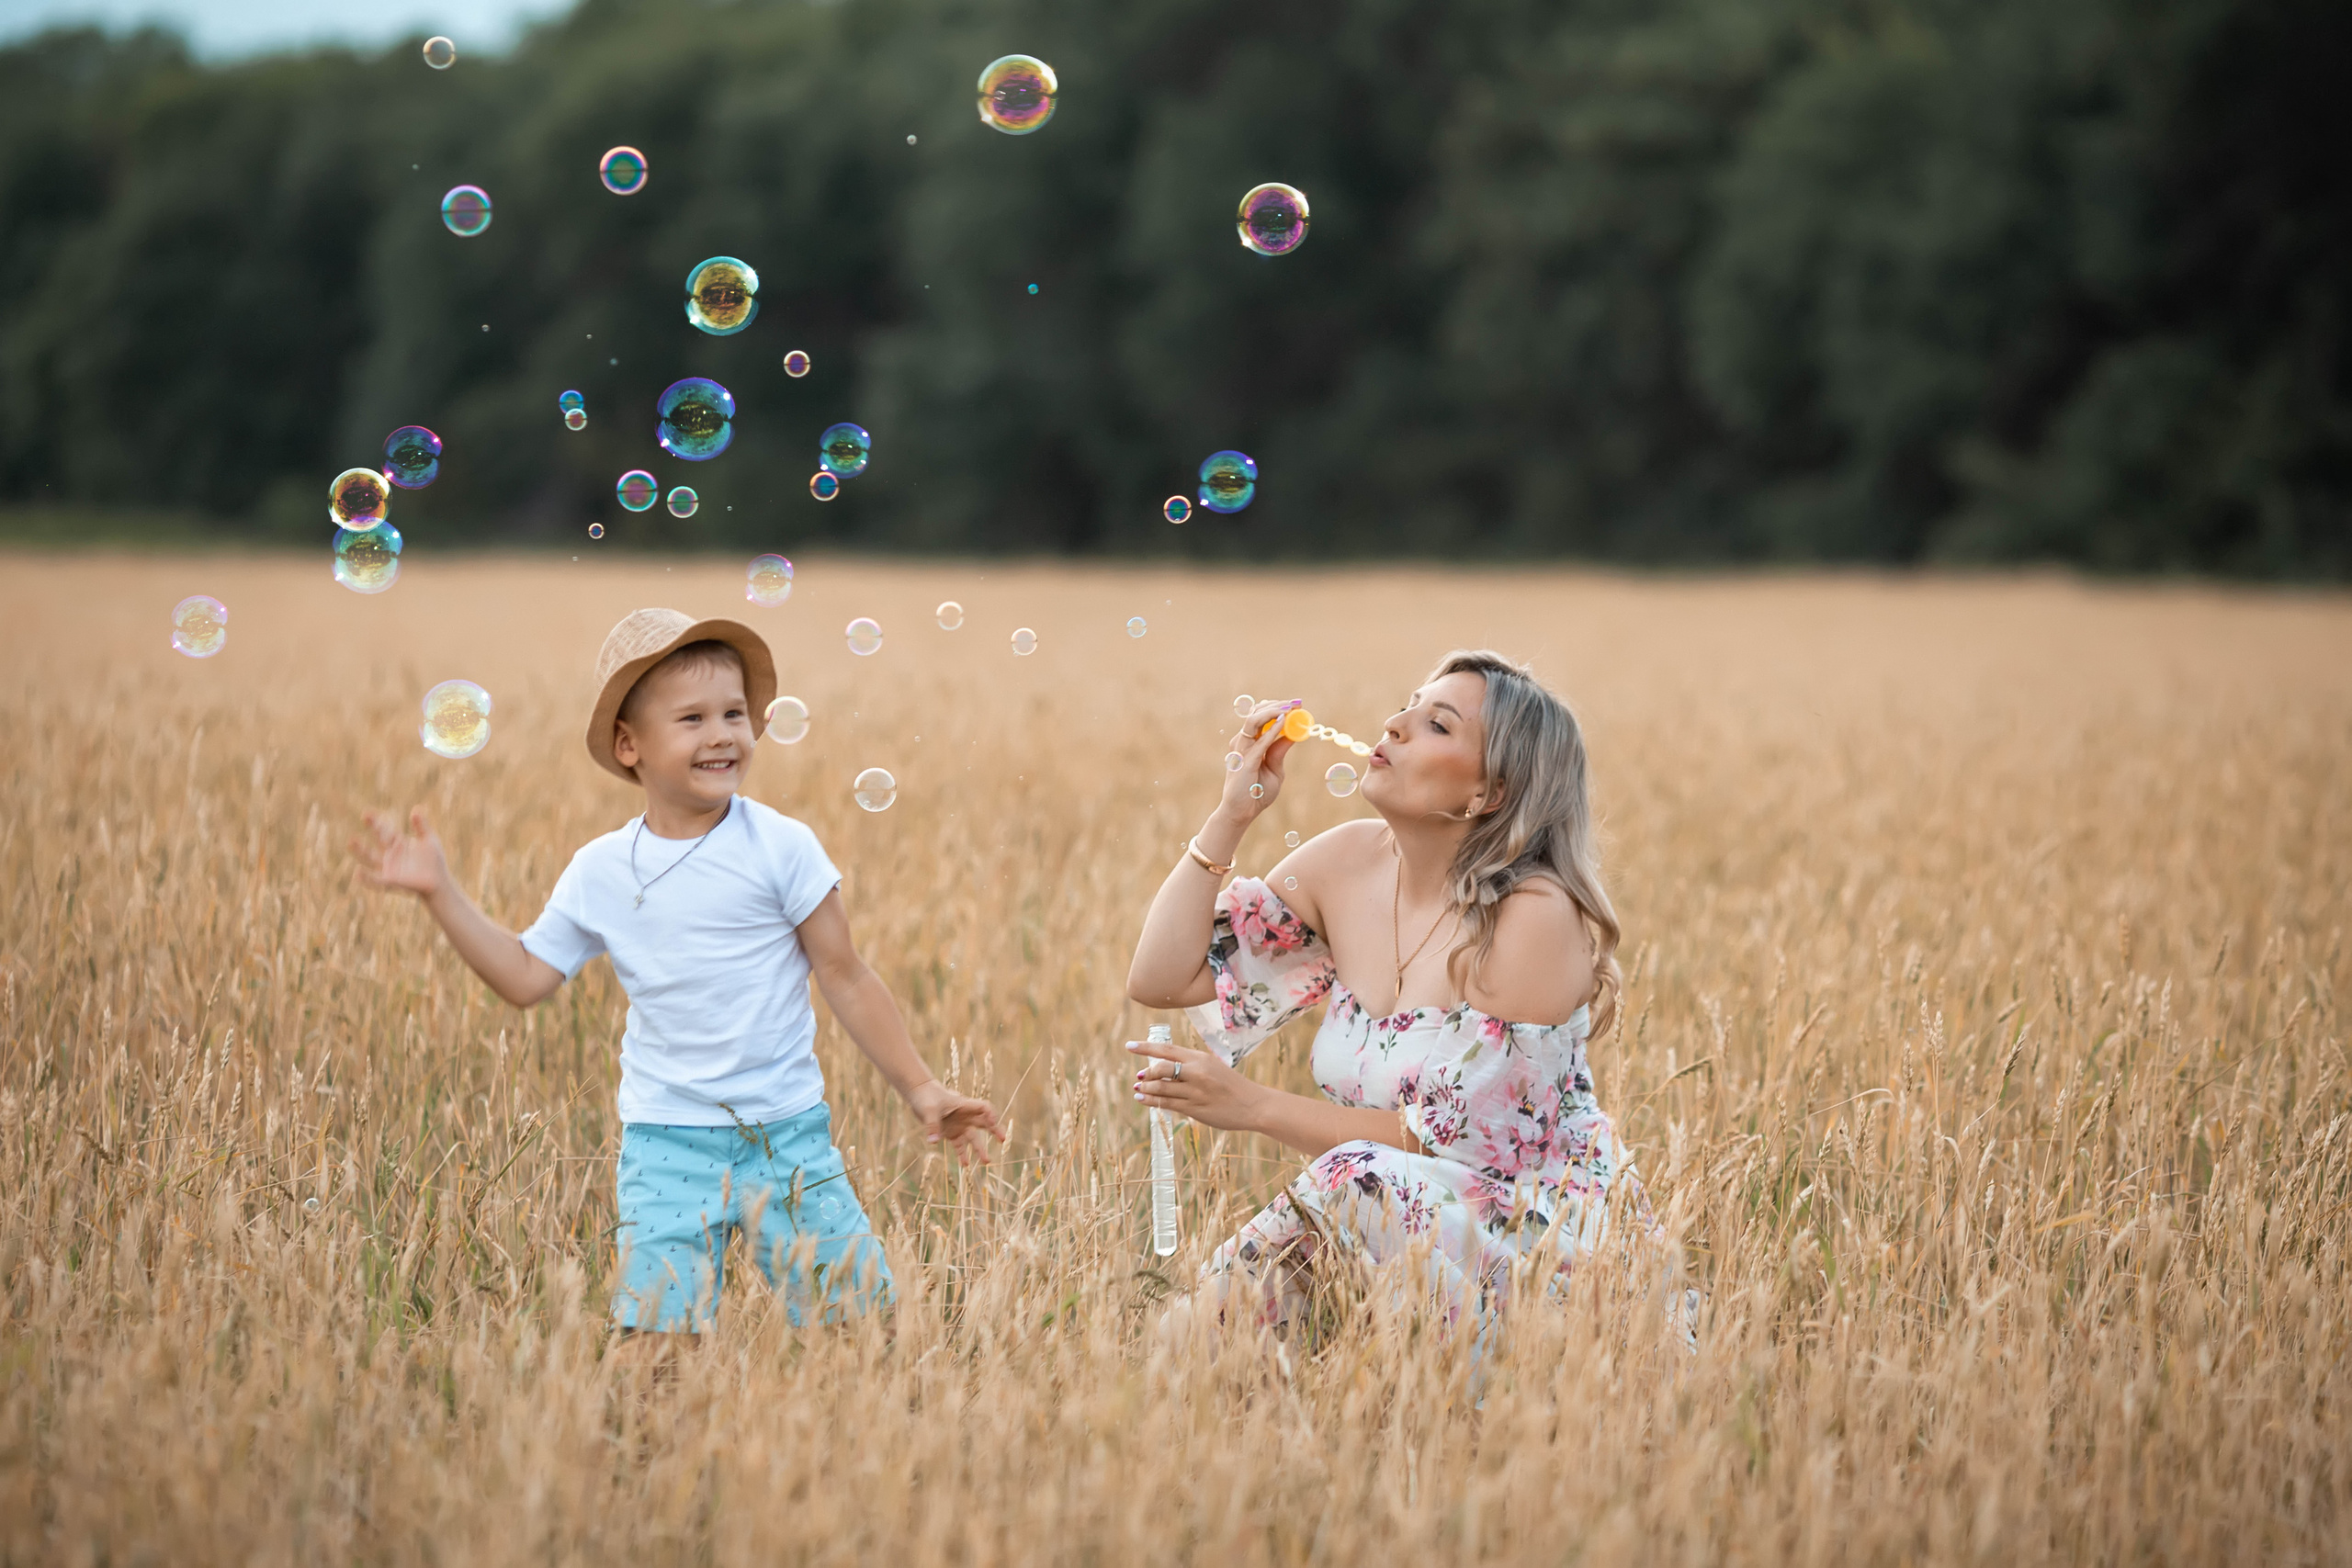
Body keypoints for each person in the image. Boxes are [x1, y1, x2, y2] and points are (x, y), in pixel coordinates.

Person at [352, 607, 1000, 1349]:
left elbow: (845, 973)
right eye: (692, 718)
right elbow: (526, 976)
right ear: (630, 744)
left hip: (785, 1133)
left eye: (734, 713)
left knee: (862, 1329)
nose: (722, 734)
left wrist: (922, 1087)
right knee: (657, 1341)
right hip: (665, 1141)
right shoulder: (600, 869)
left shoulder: (782, 847)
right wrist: (440, 892)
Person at [1125, 649, 1636, 1341]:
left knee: (1350, 1179)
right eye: (1406, 706)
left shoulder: (1534, 915)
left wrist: (1252, 1106)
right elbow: (1161, 979)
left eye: (1437, 724)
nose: (1394, 725)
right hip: (1383, 1218)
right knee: (1193, 1340)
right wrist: (1231, 816)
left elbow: (1451, 1145)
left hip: (1533, 1238)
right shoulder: (1346, 863)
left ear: (1489, 792)